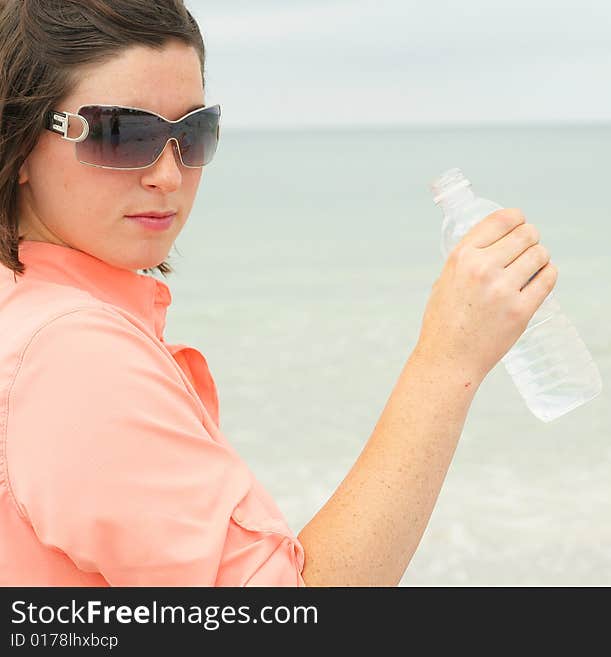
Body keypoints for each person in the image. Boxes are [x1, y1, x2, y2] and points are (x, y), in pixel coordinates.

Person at [0, 0, 556, 586]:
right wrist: (449, 362)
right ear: (19, 141)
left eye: (193, 133)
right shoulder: (73, 355)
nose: (167, 174)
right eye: (121, 134)